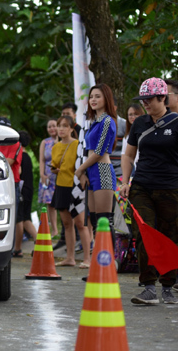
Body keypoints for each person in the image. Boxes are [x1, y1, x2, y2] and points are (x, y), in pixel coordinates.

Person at [120, 78, 178, 304]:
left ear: (163, 98)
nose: (145, 104)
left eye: (149, 99)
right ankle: (148, 287)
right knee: (144, 233)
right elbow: (128, 155)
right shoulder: (140, 123)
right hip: (142, 185)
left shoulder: (175, 122)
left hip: (171, 187)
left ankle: (168, 286)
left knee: (170, 235)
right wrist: (126, 181)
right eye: (142, 100)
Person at [75, 84, 117, 245]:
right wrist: (84, 172)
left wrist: (79, 170)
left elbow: (99, 152)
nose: (93, 99)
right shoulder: (94, 122)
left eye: (97, 96)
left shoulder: (107, 121)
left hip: (102, 171)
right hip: (91, 171)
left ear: (106, 99)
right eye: (91, 96)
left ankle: (110, 264)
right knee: (94, 221)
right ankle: (99, 263)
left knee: (104, 221)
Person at [50, 116, 91, 268]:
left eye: (65, 126)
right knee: (67, 224)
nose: (61, 129)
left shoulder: (78, 144)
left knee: (81, 224)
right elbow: (54, 166)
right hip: (61, 186)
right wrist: (54, 169)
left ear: (72, 128)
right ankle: (70, 258)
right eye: (59, 125)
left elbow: (82, 164)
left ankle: (87, 259)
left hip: (75, 187)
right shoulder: (55, 146)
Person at [0, 117, 24, 257]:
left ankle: (9, 250)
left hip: (11, 183)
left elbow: (7, 162)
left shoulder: (15, 143)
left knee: (11, 217)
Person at [16, 131, 37, 251]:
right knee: (26, 218)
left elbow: (18, 172)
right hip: (28, 190)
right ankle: (39, 242)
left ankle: (38, 242)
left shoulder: (20, 156)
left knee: (23, 220)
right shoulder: (27, 156)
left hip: (22, 191)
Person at [38, 118, 58, 237]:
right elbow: (41, 159)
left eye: (54, 126)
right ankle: (54, 229)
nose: (52, 128)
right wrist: (42, 174)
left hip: (59, 175)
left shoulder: (62, 141)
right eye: (49, 126)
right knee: (50, 204)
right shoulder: (44, 142)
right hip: (47, 176)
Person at [121, 104, 144, 175]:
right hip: (131, 168)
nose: (133, 117)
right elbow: (124, 155)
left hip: (143, 168)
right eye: (130, 115)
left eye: (136, 114)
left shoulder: (146, 132)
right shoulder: (127, 136)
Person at [109, 95, 126, 179]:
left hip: (120, 171)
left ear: (114, 108)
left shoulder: (124, 124)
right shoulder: (97, 125)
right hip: (104, 171)